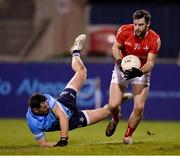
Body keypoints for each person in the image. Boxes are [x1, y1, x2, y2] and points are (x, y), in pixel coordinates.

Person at [26, 34, 132, 147]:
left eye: (46, 104)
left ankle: (75, 51)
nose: (47, 106)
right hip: (73, 120)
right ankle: (117, 102)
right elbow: (43, 144)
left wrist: (63, 139)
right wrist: (57, 145)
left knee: (82, 71)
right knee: (107, 112)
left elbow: (62, 116)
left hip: (64, 104)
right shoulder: (33, 123)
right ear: (36, 110)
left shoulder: (46, 98)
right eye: (44, 107)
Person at [105, 9, 161, 144]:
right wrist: (119, 62)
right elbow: (115, 48)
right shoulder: (124, 30)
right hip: (122, 69)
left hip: (141, 71)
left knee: (139, 107)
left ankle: (127, 136)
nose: (137, 27)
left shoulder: (155, 39)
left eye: (140, 25)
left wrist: (139, 72)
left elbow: (150, 63)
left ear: (148, 24)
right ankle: (115, 119)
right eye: (135, 24)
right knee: (112, 106)